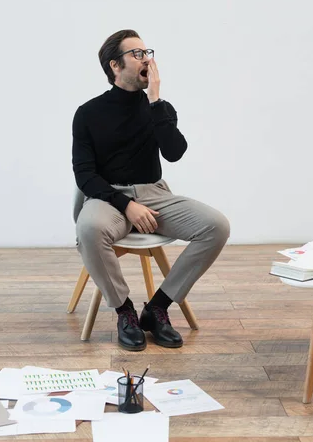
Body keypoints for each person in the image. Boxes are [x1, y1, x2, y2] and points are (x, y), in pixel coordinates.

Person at [72, 29, 230, 351]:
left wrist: (155, 100)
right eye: (138, 54)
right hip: (108, 197)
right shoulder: (88, 113)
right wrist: (126, 205)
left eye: (148, 52)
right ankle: (124, 311)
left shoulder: (159, 108)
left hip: (155, 194)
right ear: (115, 66)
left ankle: (157, 307)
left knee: (217, 226)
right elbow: (84, 174)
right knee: (88, 229)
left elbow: (174, 152)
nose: (148, 59)